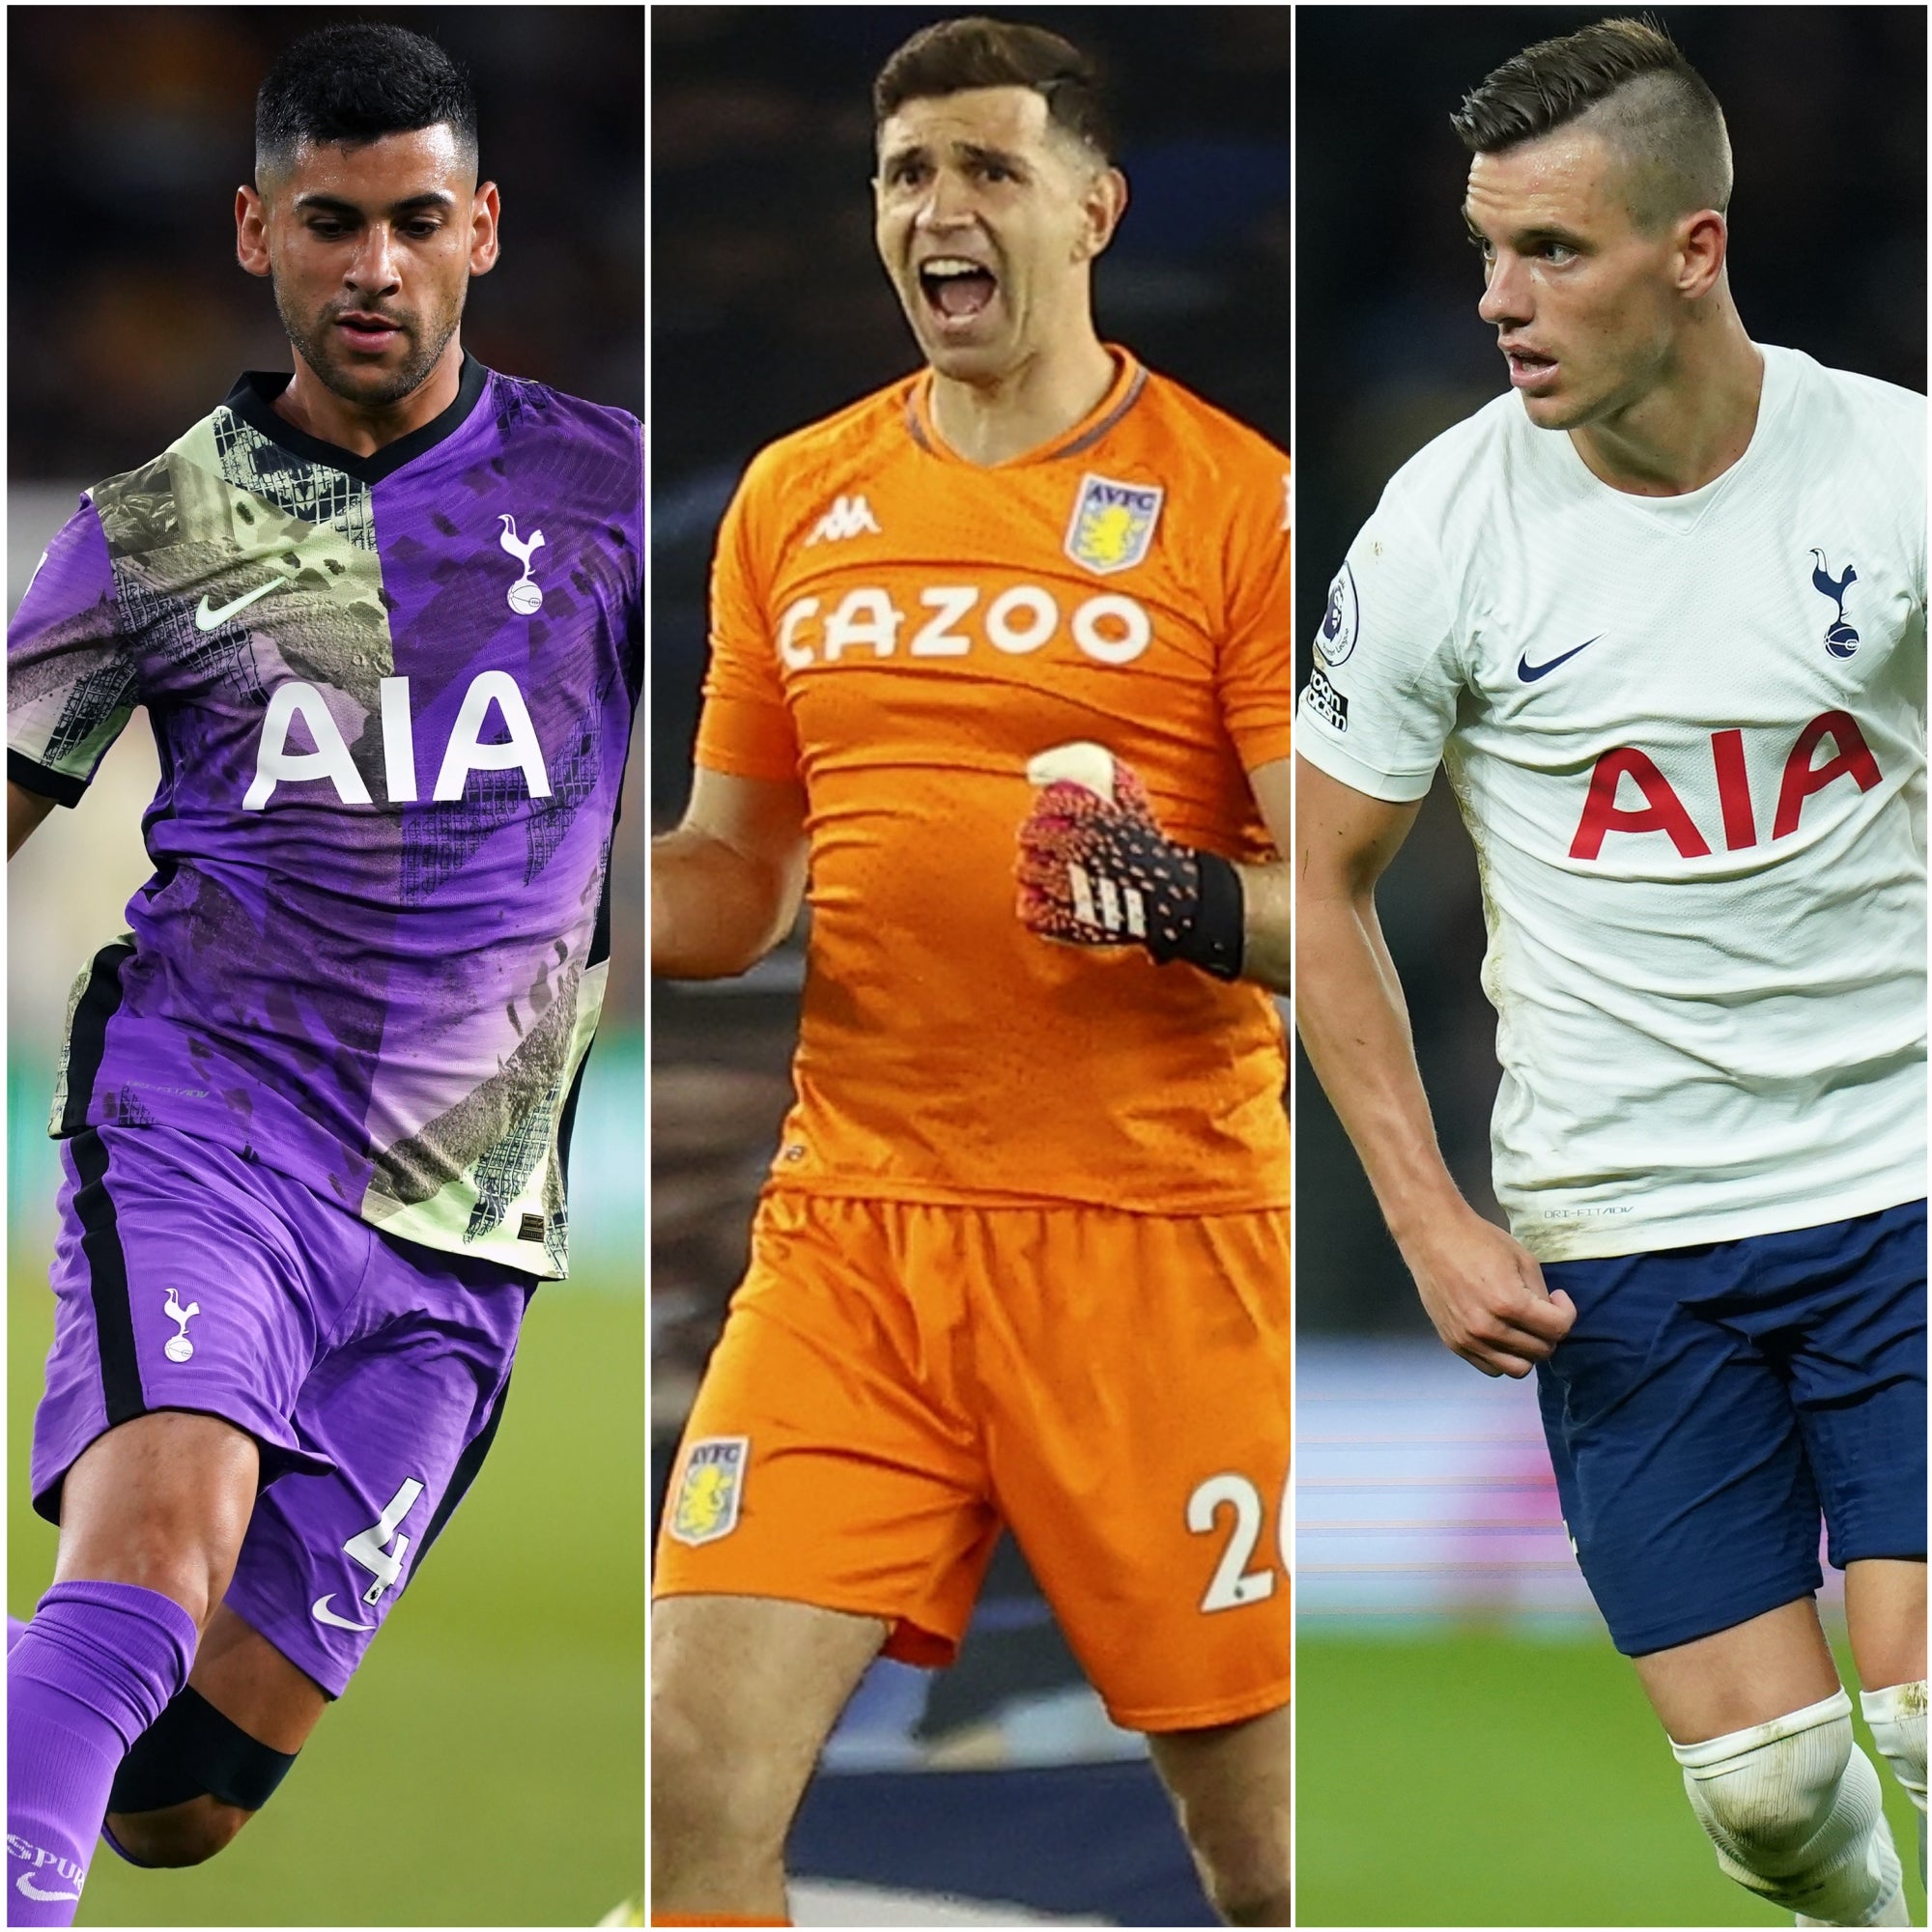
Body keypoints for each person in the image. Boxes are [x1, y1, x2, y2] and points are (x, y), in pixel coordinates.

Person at [649, 16, 1292, 1927]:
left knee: (1261, 1859)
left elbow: (1320, 906)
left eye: (987, 169)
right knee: (693, 1778)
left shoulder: (1233, 501)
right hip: (857, 1231)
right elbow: (729, 880)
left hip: (1157, 1243)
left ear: (1089, 208)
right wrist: (554, 888)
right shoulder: (794, 498)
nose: (941, 208)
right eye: (908, 175)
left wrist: (1167, 894)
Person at [5, 23, 641, 1924]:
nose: (375, 263)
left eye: (416, 221)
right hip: (210, 1136)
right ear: (255, 233)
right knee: (153, 1546)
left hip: (461, 1223)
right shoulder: (149, 533)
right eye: (333, 222)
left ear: (485, 230)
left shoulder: (619, 503)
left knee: (183, 1797)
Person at [1295, 16, 1925, 1926]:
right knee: (1767, 1797)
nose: (1498, 298)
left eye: (1551, 251)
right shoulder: (1444, 530)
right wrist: (1426, 1220)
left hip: (1897, 1178)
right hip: (1625, 1231)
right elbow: (1318, 884)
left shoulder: (1892, 477)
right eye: (1487, 251)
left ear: (1693, 252)